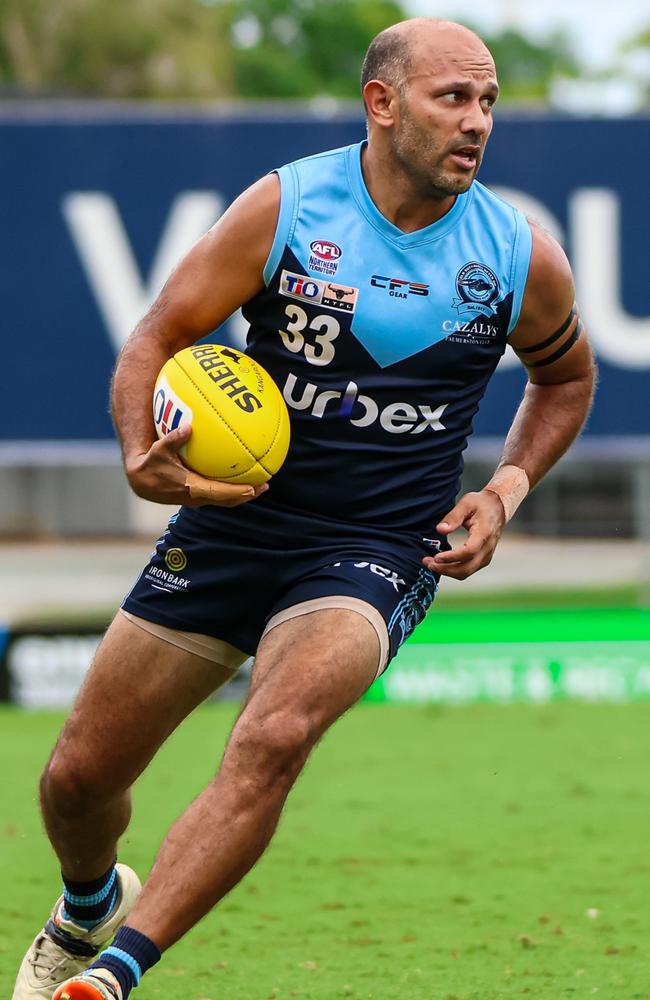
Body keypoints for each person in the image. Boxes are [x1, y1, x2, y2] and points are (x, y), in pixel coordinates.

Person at [13, 17, 595, 1000]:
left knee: (273, 736)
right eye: (453, 98)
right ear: (381, 103)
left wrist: (503, 489)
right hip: (233, 524)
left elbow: (565, 378)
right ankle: (86, 906)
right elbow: (157, 334)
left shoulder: (514, 253)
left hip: (377, 548)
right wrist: (139, 460)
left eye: (487, 102)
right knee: (76, 778)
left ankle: (107, 977)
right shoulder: (286, 207)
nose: (477, 122)